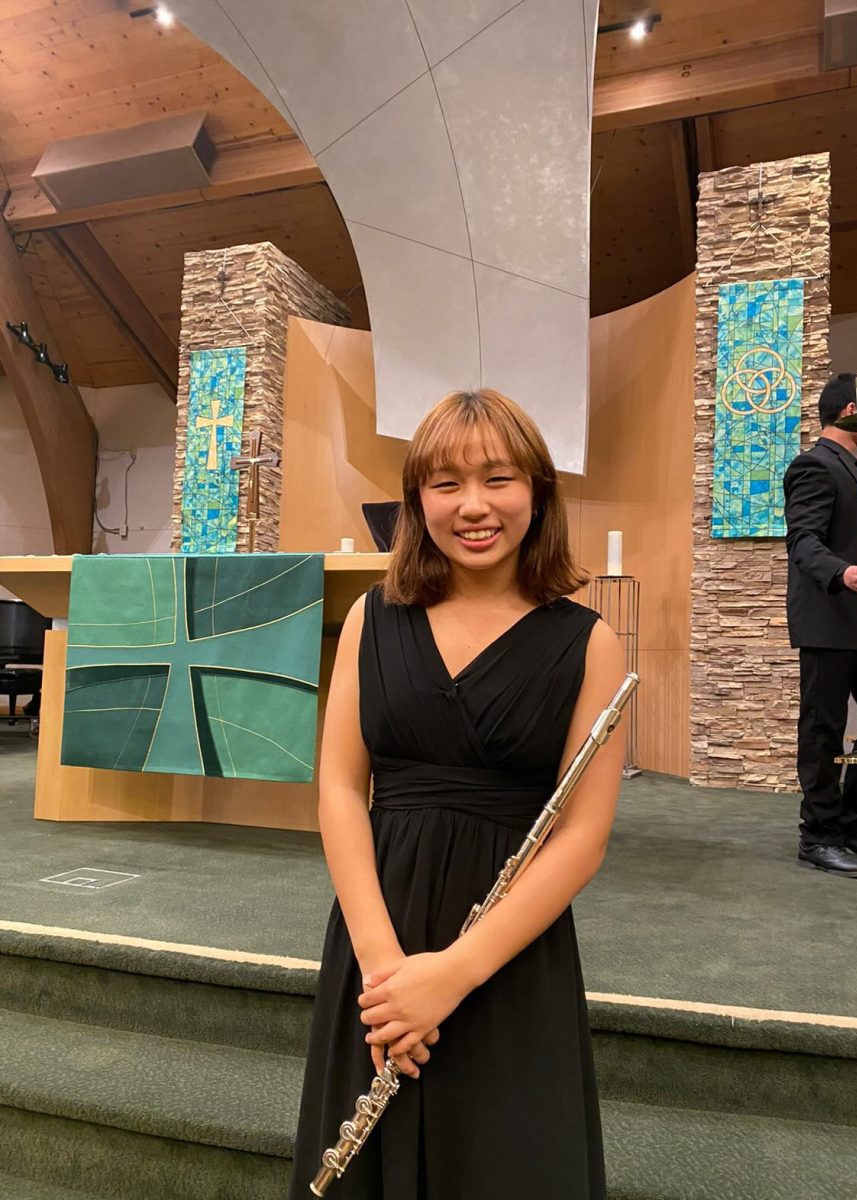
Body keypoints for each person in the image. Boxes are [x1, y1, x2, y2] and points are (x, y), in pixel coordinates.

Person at [288, 389, 624, 1199]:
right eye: (444, 484)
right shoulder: (375, 617)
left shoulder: (589, 644)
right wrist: (383, 969)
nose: (473, 506)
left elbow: (581, 837)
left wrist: (456, 972)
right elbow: (337, 785)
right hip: (380, 937)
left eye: (498, 479)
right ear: (416, 503)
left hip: (506, 949)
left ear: (537, 493)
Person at [783, 373, 857, 878]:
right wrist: (844, 572)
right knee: (823, 728)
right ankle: (820, 835)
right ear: (844, 412)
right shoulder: (814, 465)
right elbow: (803, 541)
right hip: (831, 619)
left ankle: (856, 826)